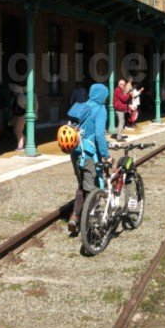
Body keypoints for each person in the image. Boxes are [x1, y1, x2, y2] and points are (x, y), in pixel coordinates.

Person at [68, 83, 113, 234]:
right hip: (89, 154)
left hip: (75, 152)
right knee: (92, 188)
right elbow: (99, 134)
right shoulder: (100, 109)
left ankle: (75, 216)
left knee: (82, 185)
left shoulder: (81, 106)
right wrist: (106, 155)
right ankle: (89, 225)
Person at [10, 83, 38, 151]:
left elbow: (27, 106)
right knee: (17, 130)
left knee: (18, 131)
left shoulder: (21, 96)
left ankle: (21, 146)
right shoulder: (18, 96)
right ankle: (26, 143)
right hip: (21, 115)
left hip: (22, 115)